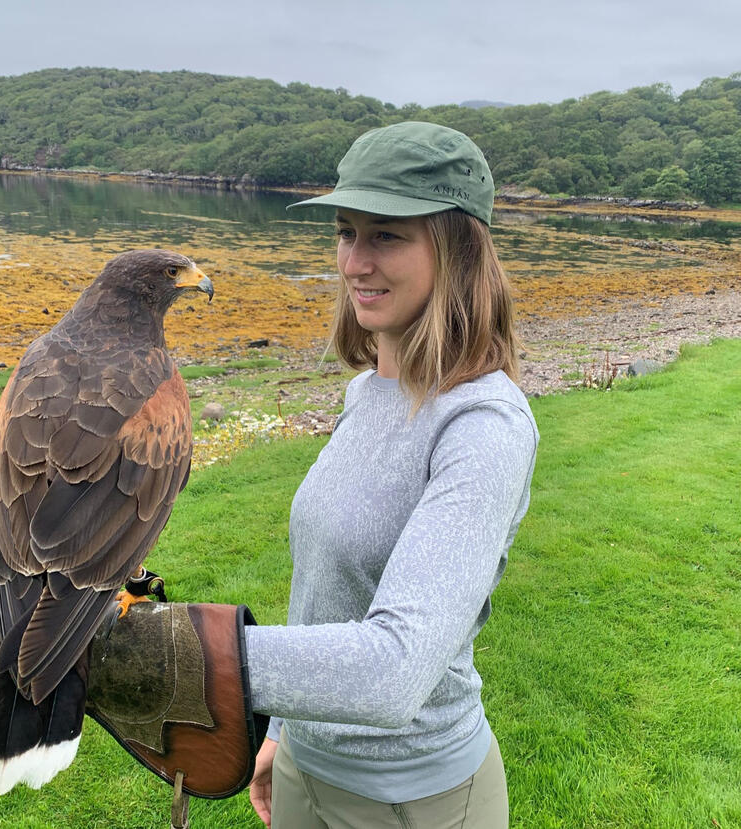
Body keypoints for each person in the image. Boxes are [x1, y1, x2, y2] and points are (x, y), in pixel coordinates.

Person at [244, 121, 539, 829]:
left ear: (458, 249)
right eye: (346, 231)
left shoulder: (483, 425)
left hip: (413, 798)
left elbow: (393, 669)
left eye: (386, 234)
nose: (353, 262)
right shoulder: (364, 393)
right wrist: (284, 728)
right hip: (302, 768)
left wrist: (178, 648)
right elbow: (324, 589)